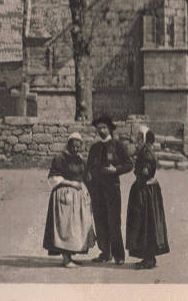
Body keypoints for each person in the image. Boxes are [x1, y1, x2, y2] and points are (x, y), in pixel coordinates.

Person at [42, 132, 96, 268]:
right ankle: (66, 259)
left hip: (78, 197)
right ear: (69, 144)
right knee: (65, 227)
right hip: (64, 195)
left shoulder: (79, 159)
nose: (76, 149)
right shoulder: (60, 158)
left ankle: (70, 256)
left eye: (78, 147)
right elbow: (53, 178)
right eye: (74, 146)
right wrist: (71, 184)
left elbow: (85, 175)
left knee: (75, 228)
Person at [86, 114, 132, 264]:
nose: (101, 130)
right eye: (99, 128)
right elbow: (88, 168)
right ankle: (105, 253)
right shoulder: (94, 148)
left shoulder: (117, 146)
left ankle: (119, 256)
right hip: (97, 190)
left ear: (110, 129)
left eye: (104, 127)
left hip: (112, 189)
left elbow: (129, 165)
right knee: (100, 220)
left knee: (113, 221)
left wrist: (116, 170)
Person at [125, 127, 170, 269]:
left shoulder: (146, 153)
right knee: (145, 223)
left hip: (145, 191)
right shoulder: (145, 151)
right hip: (146, 189)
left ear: (144, 139)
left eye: (139, 138)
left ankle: (149, 259)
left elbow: (145, 172)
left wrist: (141, 180)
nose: (137, 140)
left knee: (146, 223)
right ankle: (148, 257)